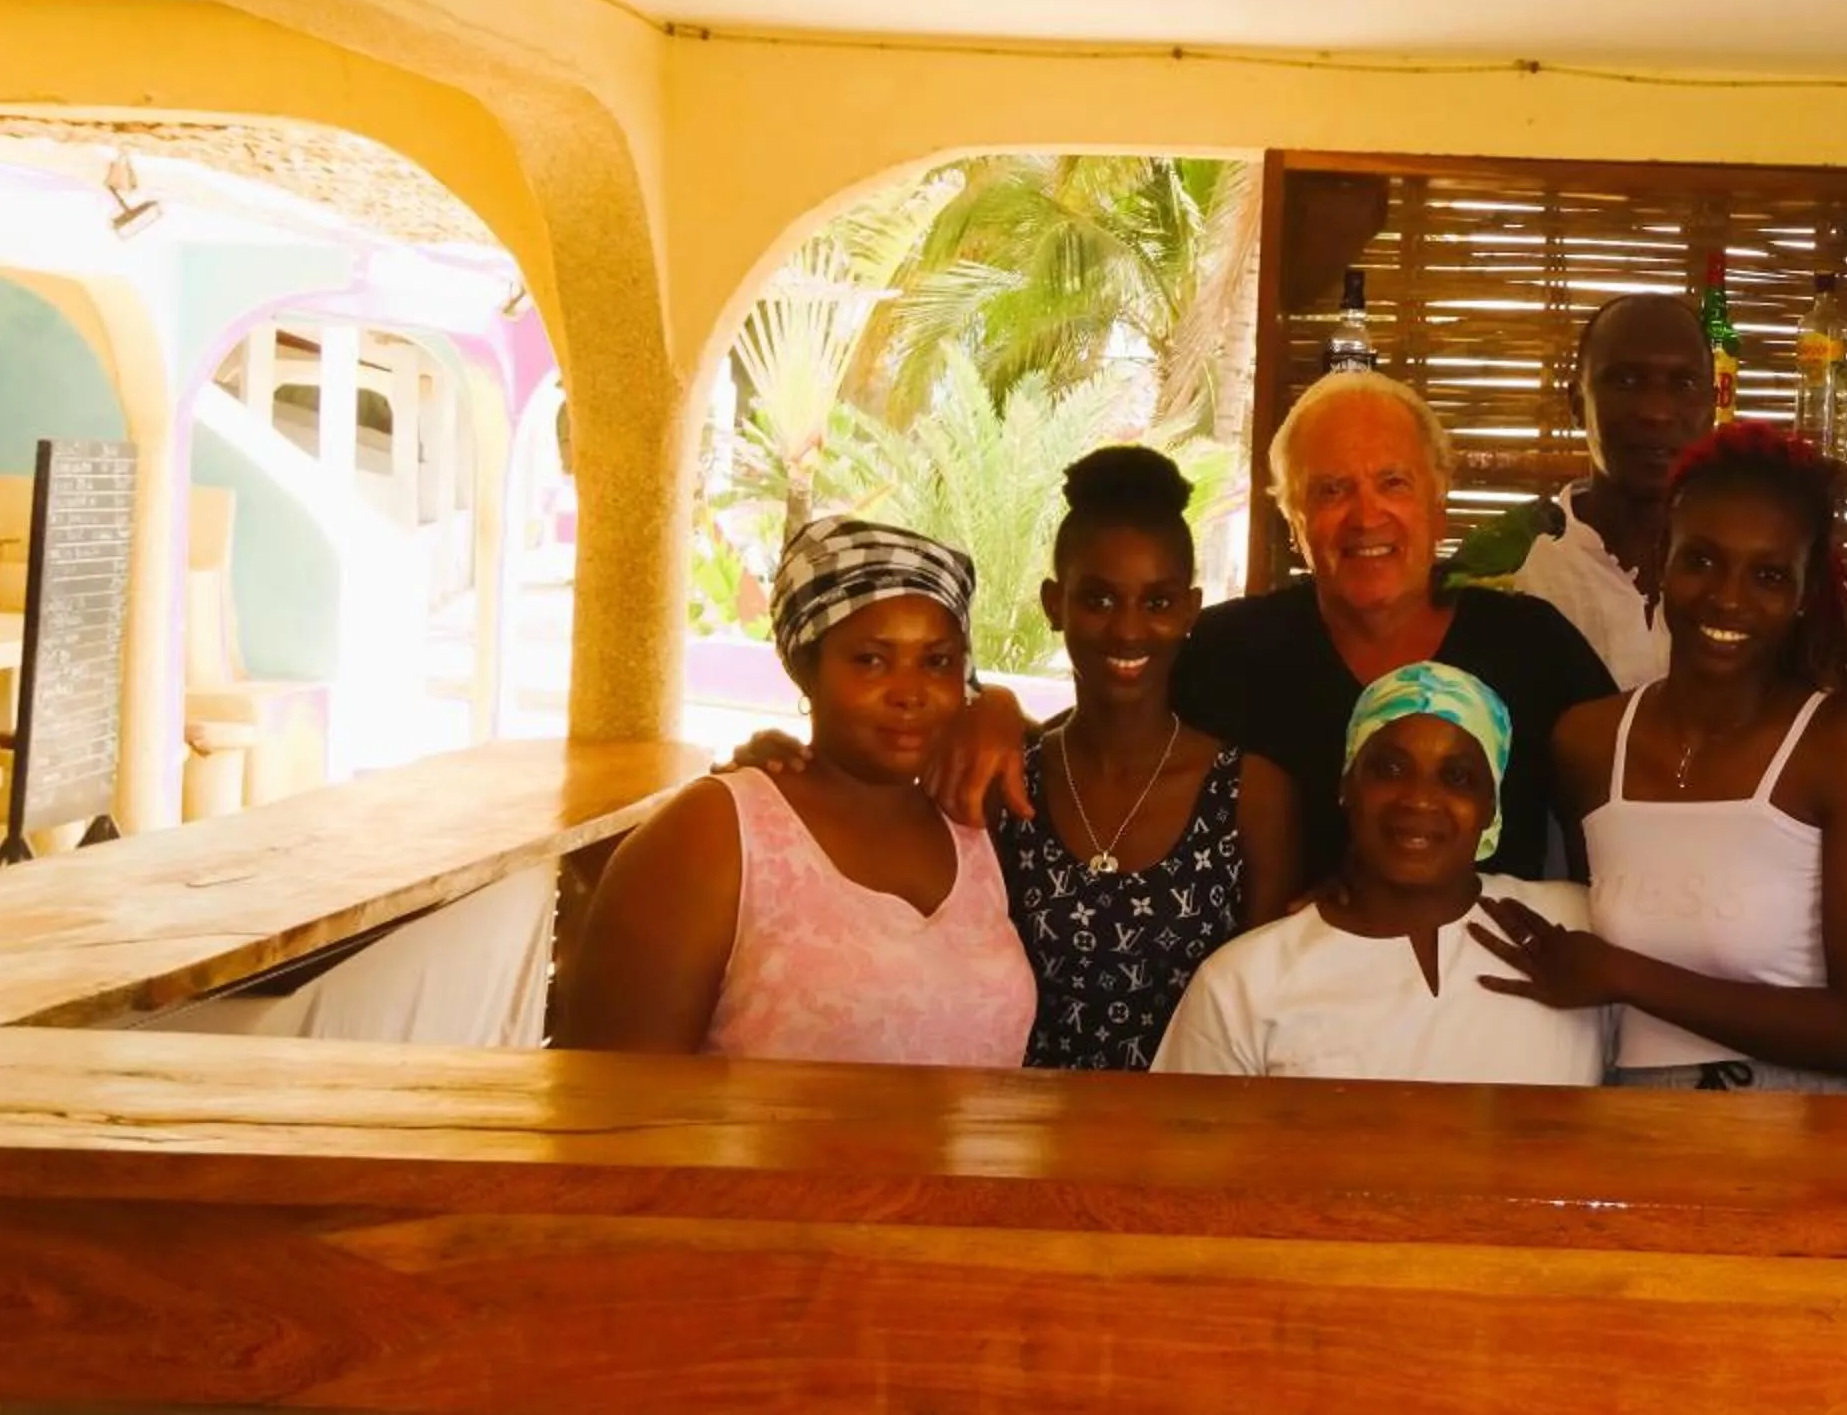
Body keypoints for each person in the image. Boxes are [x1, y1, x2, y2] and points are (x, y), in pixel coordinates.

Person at [1476, 422, 1847, 1090]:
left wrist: (1624, 975)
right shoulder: (1588, 742)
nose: (1728, 597)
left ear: (1804, 594)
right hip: (1633, 1125)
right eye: (1701, 560)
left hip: (1802, 1132)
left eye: (1767, 575)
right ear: (1662, 560)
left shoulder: (1836, 744)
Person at [562, 518, 1035, 1067]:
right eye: (871, 660)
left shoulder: (973, 818)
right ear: (806, 667)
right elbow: (611, 1097)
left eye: (938, 661)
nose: (910, 693)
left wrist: (999, 704)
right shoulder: (715, 834)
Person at [1171, 372, 1612, 884]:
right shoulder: (1226, 651)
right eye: (1331, 490)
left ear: (1439, 503)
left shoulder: (1533, 647)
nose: (1365, 515)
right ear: (1294, 522)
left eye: (1393, 483)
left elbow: (1629, 802)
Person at [1153, 663, 1609, 1084]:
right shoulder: (1243, 982)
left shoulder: (1576, 924)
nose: (1419, 799)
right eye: (1390, 769)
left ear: (1492, 807)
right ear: (1346, 784)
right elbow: (1183, 1161)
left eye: (1458, 777)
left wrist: (1622, 977)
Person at [1002, 446, 1303, 1070]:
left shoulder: (1248, 793)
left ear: (1191, 611)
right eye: (1100, 600)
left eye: (1158, 602)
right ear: (1054, 603)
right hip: (1023, 1138)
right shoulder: (1009, 779)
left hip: (1185, 1140)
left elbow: (1265, 1002)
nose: (1129, 630)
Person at [1450, 292, 1717, 689]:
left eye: (1683, 383)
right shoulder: (1518, 569)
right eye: (1626, 381)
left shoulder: (1742, 578)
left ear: (1714, 406)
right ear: (1577, 403)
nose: (1656, 412)